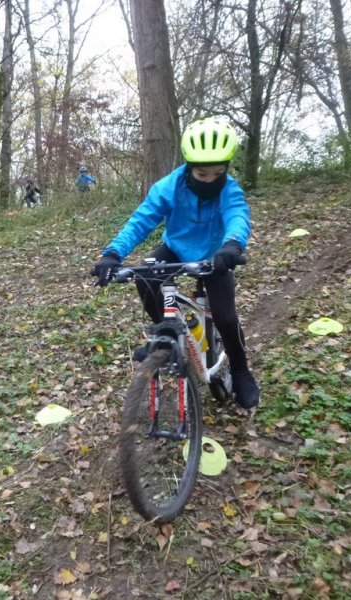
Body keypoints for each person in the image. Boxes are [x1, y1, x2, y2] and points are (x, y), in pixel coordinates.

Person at [90, 117, 260, 410]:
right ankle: (166, 334)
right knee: (145, 278)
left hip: (214, 254)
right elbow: (141, 220)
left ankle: (241, 370)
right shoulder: (169, 186)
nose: (209, 180)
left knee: (226, 317)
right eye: (201, 173)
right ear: (189, 166)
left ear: (227, 169)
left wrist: (232, 244)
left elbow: (237, 216)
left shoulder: (229, 189)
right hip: (175, 248)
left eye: (217, 173)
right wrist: (113, 254)